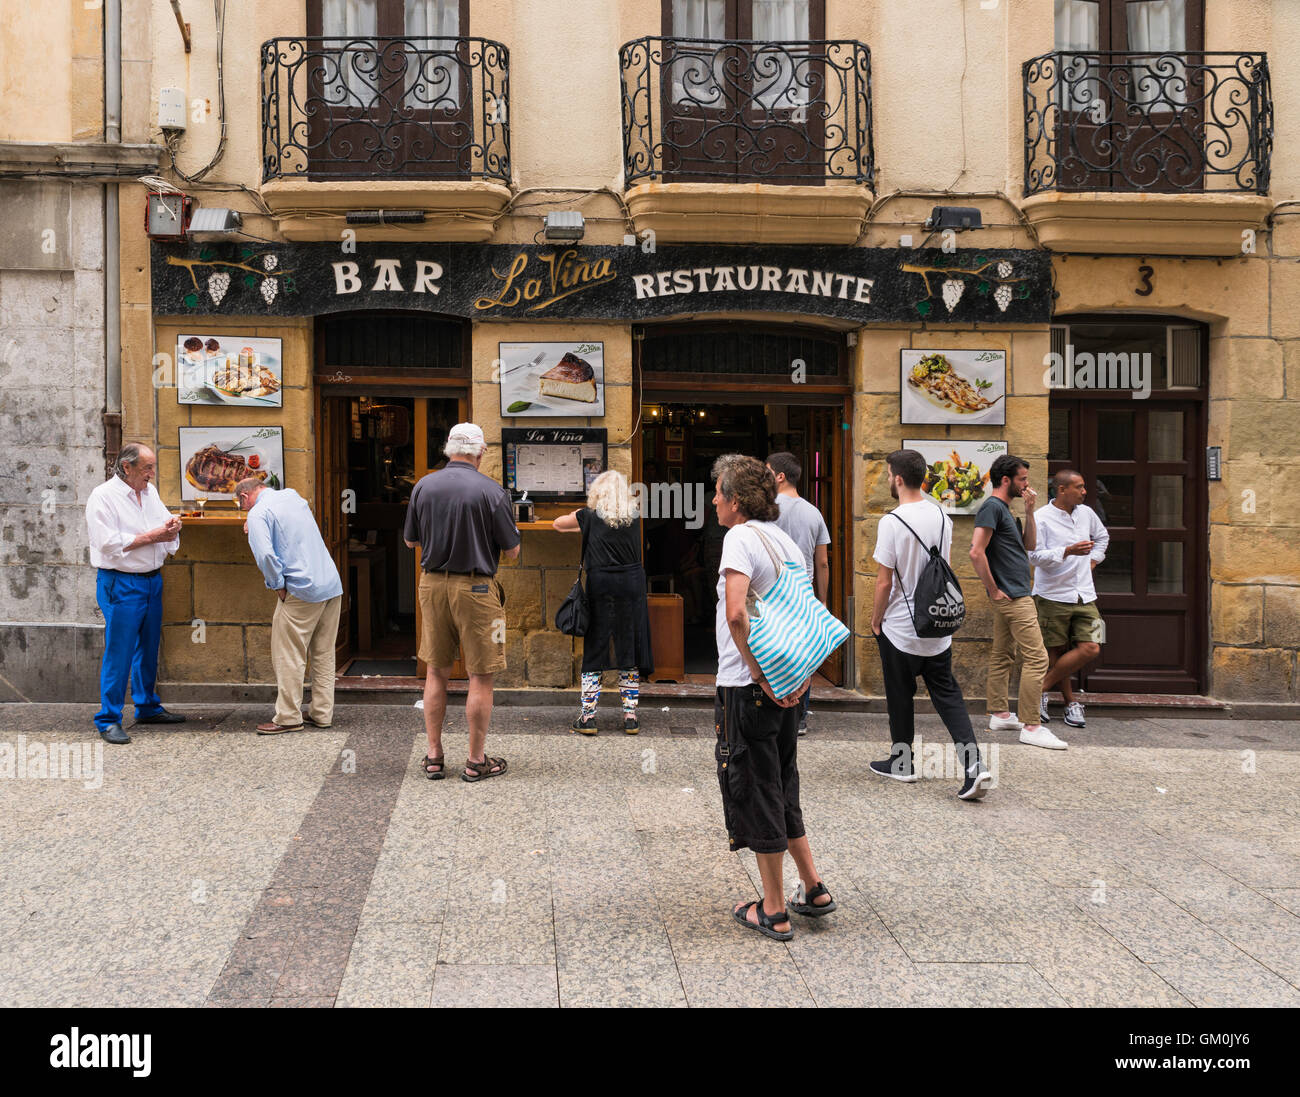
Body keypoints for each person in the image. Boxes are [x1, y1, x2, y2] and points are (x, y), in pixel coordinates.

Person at [712, 455, 835, 941]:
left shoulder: (739, 538)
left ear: (735, 499)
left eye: (718, 492)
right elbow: (805, 616)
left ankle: (775, 908)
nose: (714, 500)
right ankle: (813, 886)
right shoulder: (782, 538)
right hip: (789, 685)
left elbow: (737, 614)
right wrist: (796, 678)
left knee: (757, 786)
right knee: (783, 781)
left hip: (749, 687)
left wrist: (762, 676)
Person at [870, 450, 991, 799]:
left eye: (888, 474)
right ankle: (975, 767)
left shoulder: (892, 521)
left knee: (899, 694)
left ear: (897, 478)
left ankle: (902, 763)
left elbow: (884, 582)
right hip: (938, 625)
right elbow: (944, 567)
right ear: (923, 477)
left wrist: (876, 621)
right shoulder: (941, 514)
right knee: (949, 697)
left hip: (901, 628)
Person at [403, 423, 520, 782]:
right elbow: (513, 552)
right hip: (478, 590)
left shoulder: (423, 485)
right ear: (480, 452)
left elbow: (411, 542)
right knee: (480, 676)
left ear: (448, 449)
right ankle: (475, 760)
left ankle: (435, 756)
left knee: (436, 671)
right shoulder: (492, 491)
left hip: (432, 585)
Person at [84, 443, 185, 744]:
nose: (152, 474)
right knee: (120, 650)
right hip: (121, 581)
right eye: (147, 468)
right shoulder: (103, 496)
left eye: (152, 468)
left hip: (152, 580)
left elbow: (163, 525)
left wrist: (172, 525)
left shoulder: (149, 492)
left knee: (149, 647)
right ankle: (108, 718)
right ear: (126, 467)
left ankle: (147, 706)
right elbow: (107, 543)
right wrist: (154, 536)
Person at [969, 454, 1065, 750]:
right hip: (1013, 597)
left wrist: (1031, 510)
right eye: (1022, 479)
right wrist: (994, 590)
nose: (1027, 484)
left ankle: (999, 713)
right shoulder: (992, 507)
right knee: (1038, 658)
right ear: (1006, 480)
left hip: (1014, 593)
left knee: (1003, 654)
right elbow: (976, 551)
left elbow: (1030, 546)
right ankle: (1032, 725)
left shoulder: (1006, 510)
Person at [236, 479, 344, 734]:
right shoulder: (293, 497)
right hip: (330, 582)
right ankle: (321, 713)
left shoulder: (258, 513)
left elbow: (265, 555)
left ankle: (288, 717)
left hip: (301, 588)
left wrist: (277, 586)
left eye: (240, 505)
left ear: (244, 496)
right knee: (324, 653)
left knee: (288, 655)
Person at [553, 470, 654, 734]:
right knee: (628, 646)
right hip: (632, 584)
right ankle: (630, 717)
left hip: (602, 584)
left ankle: (588, 718)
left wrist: (582, 511)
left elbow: (557, 525)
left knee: (596, 645)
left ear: (597, 493)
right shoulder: (633, 517)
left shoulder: (588, 516)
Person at [1029, 469, 1109, 728]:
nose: (1085, 491)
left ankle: (1040, 689)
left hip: (1085, 594)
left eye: (1084, 486)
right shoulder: (1041, 518)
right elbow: (1033, 556)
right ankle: (1070, 703)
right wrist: (1067, 551)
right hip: (1052, 594)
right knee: (1055, 653)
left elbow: (1103, 537)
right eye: (1079, 487)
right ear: (1062, 490)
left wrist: (1094, 561)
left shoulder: (1086, 513)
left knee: (1092, 646)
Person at [766, 451, 831, 736]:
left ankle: (772, 707)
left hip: (772, 589)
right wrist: (823, 599)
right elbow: (823, 562)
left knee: (771, 648)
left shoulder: (765, 510)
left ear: (779, 476)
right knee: (801, 654)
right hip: (803, 591)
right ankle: (800, 715)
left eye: (767, 471)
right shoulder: (813, 512)